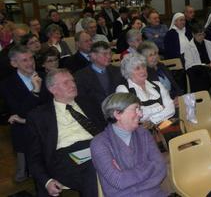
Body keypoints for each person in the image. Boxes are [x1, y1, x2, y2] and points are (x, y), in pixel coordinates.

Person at [27, 69, 105, 197]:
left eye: (72, 81)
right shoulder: (39, 116)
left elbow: (106, 129)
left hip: (97, 146)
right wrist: (46, 181)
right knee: (95, 169)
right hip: (66, 156)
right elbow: (34, 155)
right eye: (66, 83)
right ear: (53, 89)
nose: (73, 85)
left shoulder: (89, 102)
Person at [90, 92, 168, 197]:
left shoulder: (143, 133)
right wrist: (150, 166)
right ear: (117, 114)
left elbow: (160, 168)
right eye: (135, 109)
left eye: (139, 109)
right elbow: (119, 181)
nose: (141, 114)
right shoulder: (99, 143)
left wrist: (128, 176)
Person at [1, 46, 49, 182]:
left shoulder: (45, 76)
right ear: (14, 63)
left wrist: (26, 119)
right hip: (25, 130)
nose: (30, 63)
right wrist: (35, 92)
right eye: (24, 60)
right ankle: (27, 169)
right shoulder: (7, 84)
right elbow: (19, 111)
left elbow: (51, 106)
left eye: (31, 58)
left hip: (46, 124)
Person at [116, 53, 175, 125]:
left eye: (144, 67)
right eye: (137, 68)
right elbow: (136, 115)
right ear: (129, 72)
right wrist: (159, 107)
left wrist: (151, 121)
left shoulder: (158, 85)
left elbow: (171, 109)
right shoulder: (123, 89)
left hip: (164, 127)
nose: (143, 71)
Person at [75, 41, 124, 121]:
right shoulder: (81, 76)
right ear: (93, 56)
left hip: (119, 114)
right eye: (105, 54)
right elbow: (83, 102)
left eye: (110, 53)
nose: (109, 56)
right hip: (96, 116)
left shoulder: (117, 72)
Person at [183, 24, 211, 92]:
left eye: (203, 34)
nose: (202, 37)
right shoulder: (188, 46)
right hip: (198, 70)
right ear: (193, 34)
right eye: (199, 35)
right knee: (200, 75)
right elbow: (189, 65)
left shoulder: (208, 43)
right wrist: (205, 65)